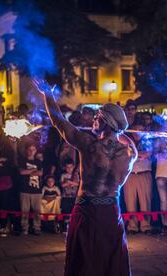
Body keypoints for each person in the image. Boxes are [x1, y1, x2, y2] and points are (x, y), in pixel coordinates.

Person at [33, 79, 137, 276]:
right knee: (110, 261)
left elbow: (58, 121)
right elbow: (126, 140)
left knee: (84, 263)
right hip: (111, 211)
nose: (93, 121)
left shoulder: (88, 144)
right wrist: (118, 132)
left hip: (87, 209)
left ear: (106, 121)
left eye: (97, 117)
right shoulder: (130, 153)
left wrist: (47, 93)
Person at [124, 123, 154, 235]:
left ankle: (145, 226)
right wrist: (138, 155)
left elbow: (147, 154)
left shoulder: (148, 141)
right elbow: (128, 155)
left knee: (145, 201)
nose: (138, 131)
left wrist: (136, 155)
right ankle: (132, 226)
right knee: (130, 201)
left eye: (141, 129)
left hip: (144, 173)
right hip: (130, 174)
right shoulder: (127, 141)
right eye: (136, 129)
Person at [18, 143, 43, 235]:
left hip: (36, 190)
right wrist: (33, 171)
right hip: (24, 189)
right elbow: (22, 172)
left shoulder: (38, 162)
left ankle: (37, 228)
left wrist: (29, 172)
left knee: (37, 211)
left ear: (35, 151)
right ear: (26, 151)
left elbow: (40, 173)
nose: (31, 151)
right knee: (24, 211)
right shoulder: (22, 160)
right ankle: (25, 228)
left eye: (33, 149)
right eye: (29, 149)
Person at [60, 158, 80, 231]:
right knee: (65, 211)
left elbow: (78, 184)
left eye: (70, 167)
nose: (69, 169)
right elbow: (62, 185)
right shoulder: (63, 175)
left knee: (73, 211)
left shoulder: (76, 175)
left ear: (73, 167)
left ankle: (73, 227)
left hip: (74, 196)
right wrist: (71, 183)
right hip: (65, 196)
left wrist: (69, 182)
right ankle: (65, 228)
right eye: (67, 167)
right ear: (65, 167)